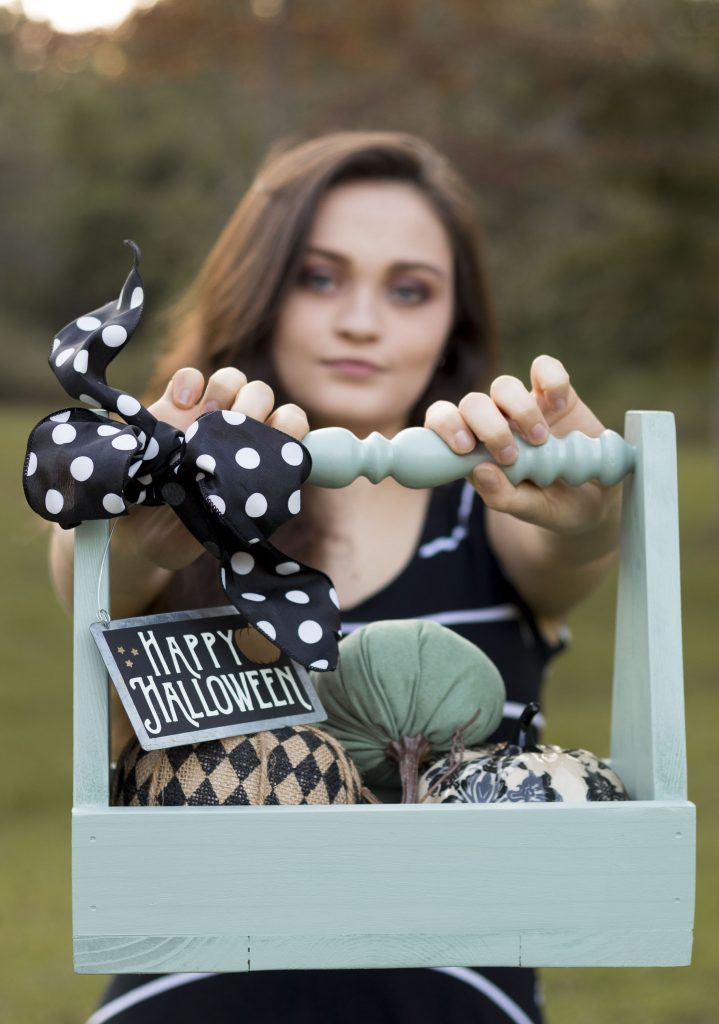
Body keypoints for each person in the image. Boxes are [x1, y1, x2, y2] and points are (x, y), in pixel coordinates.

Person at [50, 131, 621, 1024]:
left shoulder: (497, 511)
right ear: (259, 290)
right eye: (320, 277)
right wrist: (145, 515)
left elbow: (573, 551)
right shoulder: (167, 503)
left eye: (408, 289)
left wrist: (591, 512)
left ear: (452, 326)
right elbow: (93, 565)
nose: (362, 320)